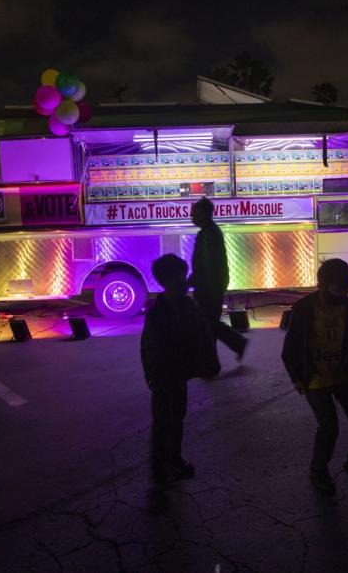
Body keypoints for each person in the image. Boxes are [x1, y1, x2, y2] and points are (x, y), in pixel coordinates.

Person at [281, 258, 348, 496]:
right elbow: (290, 349)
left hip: (343, 373)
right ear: (322, 286)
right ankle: (318, 469)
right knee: (329, 426)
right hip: (314, 377)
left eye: (347, 288)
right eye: (340, 289)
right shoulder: (304, 310)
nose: (345, 294)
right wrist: (297, 377)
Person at [141, 254, 218, 486]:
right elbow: (150, 349)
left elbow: (202, 335)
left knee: (177, 418)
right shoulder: (157, 312)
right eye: (179, 277)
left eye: (183, 277)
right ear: (166, 281)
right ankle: (160, 466)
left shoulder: (187, 305)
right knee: (164, 421)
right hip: (164, 377)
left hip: (179, 375)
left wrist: (208, 364)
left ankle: (172, 460)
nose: (184, 282)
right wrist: (155, 377)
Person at [189, 197, 248, 361]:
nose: (192, 216)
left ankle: (214, 361)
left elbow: (205, 263)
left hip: (209, 287)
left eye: (195, 213)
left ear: (204, 214)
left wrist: (194, 280)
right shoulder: (209, 231)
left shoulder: (209, 233)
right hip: (212, 285)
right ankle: (235, 344)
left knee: (207, 324)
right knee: (209, 323)